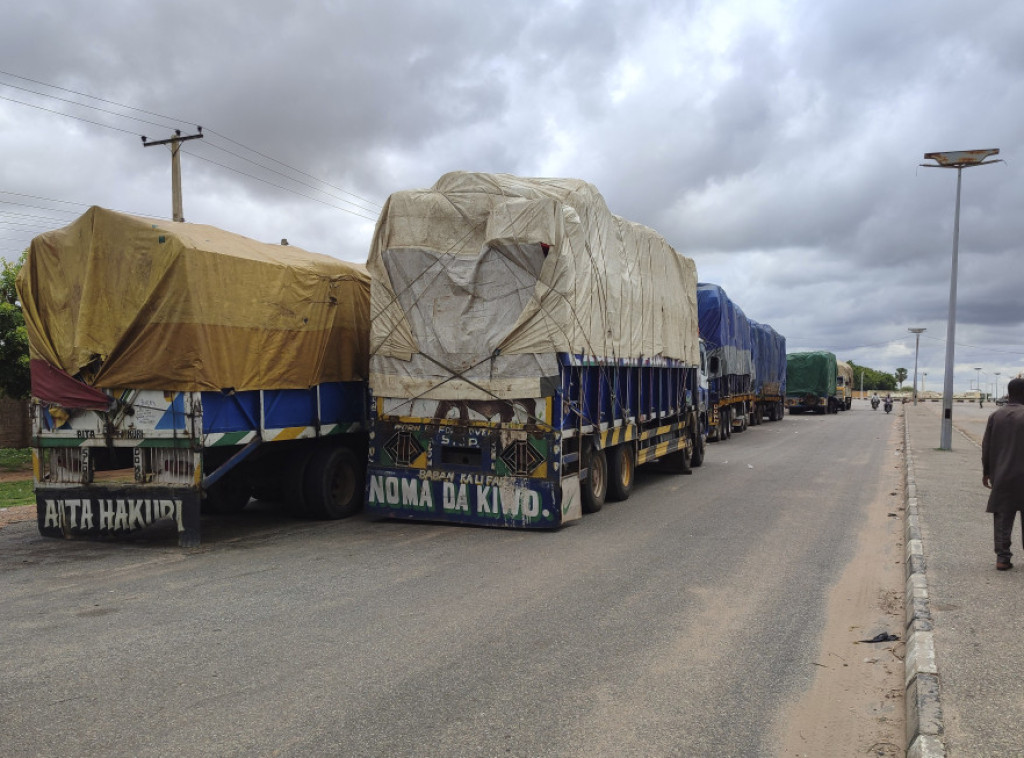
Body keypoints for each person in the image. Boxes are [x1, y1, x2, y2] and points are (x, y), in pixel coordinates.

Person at [982, 377, 1024, 570]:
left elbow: (987, 446)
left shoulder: (996, 415)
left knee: (1002, 517)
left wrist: (987, 472)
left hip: (1003, 475)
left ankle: (1002, 558)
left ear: (1008, 393)